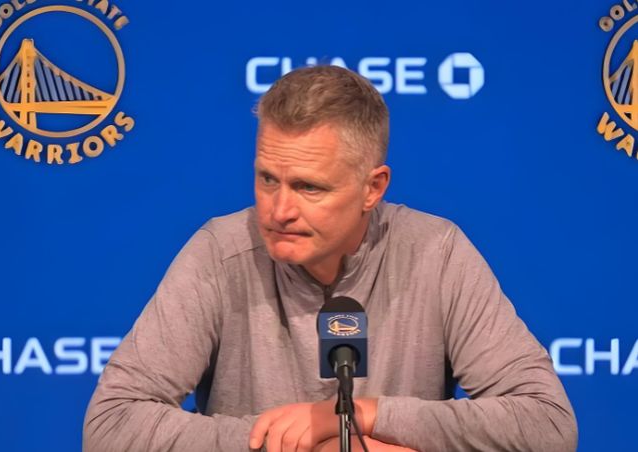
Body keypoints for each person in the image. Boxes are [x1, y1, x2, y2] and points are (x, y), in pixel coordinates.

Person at [83, 65, 577, 452]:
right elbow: (111, 425)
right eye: (267, 179)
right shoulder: (221, 253)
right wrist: (298, 444)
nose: (279, 210)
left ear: (373, 188)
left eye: (309, 187)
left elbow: (548, 424)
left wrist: (361, 417)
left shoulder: (436, 253)